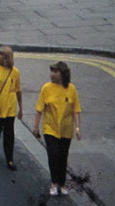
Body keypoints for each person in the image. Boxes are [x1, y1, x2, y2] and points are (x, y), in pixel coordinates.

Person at [33, 62, 81, 197]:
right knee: (53, 155)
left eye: (55, 71)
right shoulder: (46, 88)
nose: (52, 74)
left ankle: (62, 183)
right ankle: (54, 183)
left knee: (63, 156)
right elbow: (39, 110)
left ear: (62, 74)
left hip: (66, 130)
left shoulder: (71, 89)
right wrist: (36, 127)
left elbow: (76, 110)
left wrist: (77, 128)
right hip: (50, 129)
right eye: (51, 71)